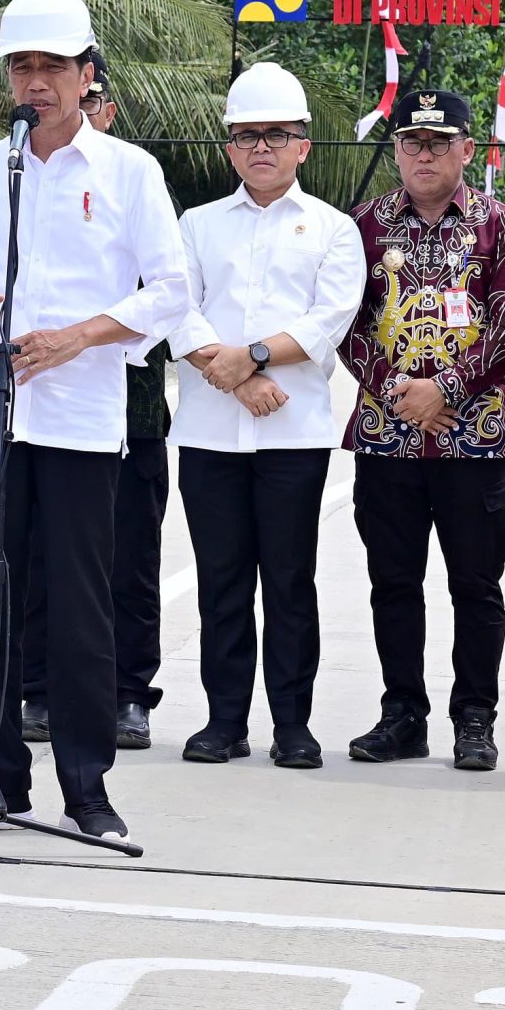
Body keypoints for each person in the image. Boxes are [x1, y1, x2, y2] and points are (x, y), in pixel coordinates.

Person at [0, 0, 188, 846]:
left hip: (79, 419)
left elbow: (174, 291)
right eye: (22, 67)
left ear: (85, 74)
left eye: (52, 67)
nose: (36, 83)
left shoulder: (129, 172)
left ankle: (87, 785)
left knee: (79, 605)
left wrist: (81, 336)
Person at [171, 63, 365, 768]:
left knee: (288, 582)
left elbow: (327, 321)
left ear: (303, 145)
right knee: (221, 583)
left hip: (294, 434)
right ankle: (224, 721)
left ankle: (292, 724)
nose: (262, 148)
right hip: (209, 434)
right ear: (229, 147)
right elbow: (179, 309)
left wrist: (247, 358)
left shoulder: (334, 230)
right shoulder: (196, 225)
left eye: (277, 135)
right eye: (247, 135)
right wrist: (235, 378)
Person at [338, 90, 505, 769]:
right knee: (393, 582)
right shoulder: (362, 226)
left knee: (476, 585)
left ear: (466, 150)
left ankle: (475, 717)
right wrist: (399, 391)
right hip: (384, 439)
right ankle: (402, 714)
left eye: (439, 142)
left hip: (470, 438)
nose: (424, 154)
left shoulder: (501, 226)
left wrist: (444, 389)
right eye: (412, 143)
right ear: (395, 150)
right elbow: (347, 324)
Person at [21, 59, 169, 752]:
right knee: (43, 564)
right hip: (57, 409)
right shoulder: (34, 185)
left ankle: (130, 693)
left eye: (103, 100)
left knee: (129, 562)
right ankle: (40, 691)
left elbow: (175, 298)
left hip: (135, 411)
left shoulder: (132, 184)